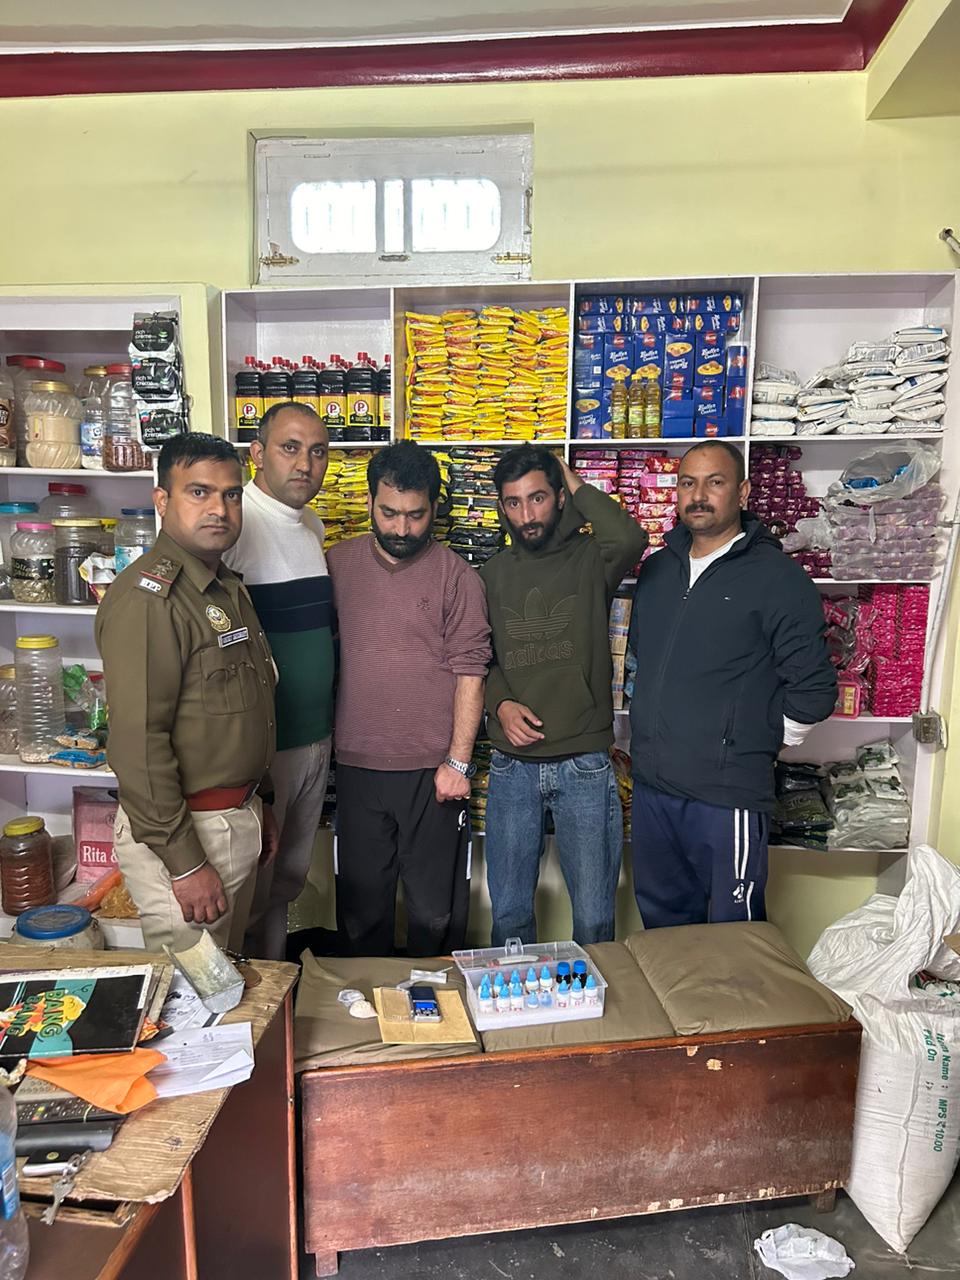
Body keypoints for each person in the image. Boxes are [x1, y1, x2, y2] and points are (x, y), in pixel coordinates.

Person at [628, 439, 837, 929]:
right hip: (654, 789)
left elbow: (813, 689)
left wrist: (755, 742)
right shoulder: (658, 570)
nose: (699, 495)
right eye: (688, 483)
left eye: (715, 482)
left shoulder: (777, 578)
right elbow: (644, 655)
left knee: (734, 936)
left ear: (742, 492)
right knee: (663, 930)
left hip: (726, 798)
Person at [96, 433, 278, 953]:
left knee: (227, 980)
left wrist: (260, 803)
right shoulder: (152, 602)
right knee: (191, 994)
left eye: (231, 494)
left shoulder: (224, 589)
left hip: (233, 818)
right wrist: (186, 864)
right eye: (199, 492)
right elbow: (138, 744)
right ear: (162, 500)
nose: (219, 508)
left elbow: (244, 711)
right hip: (187, 836)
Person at [326, 440, 491, 956]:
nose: (401, 528)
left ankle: (440, 1004)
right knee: (360, 914)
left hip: (433, 773)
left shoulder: (457, 577)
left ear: (435, 508)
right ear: (370, 501)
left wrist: (458, 764)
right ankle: (363, 1003)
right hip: (356, 768)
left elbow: (471, 672)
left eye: (415, 515)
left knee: (434, 913)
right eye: (389, 513)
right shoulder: (337, 565)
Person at [480, 446, 649, 946]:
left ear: (559, 497)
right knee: (509, 915)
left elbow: (631, 537)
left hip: (584, 763)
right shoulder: (490, 575)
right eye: (513, 503)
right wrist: (500, 704)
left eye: (537, 498)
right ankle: (518, 999)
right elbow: (479, 658)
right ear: (501, 507)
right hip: (512, 763)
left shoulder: (591, 559)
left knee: (594, 917)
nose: (527, 515)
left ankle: (590, 1001)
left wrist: (568, 474)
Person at [223, 401, 334, 960]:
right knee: (252, 879)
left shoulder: (310, 525)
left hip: (316, 737)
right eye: (290, 448)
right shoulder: (236, 522)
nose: (305, 464)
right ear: (257, 454)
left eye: (318, 452)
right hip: (269, 749)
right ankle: (247, 991)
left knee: (287, 877)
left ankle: (276, 985)